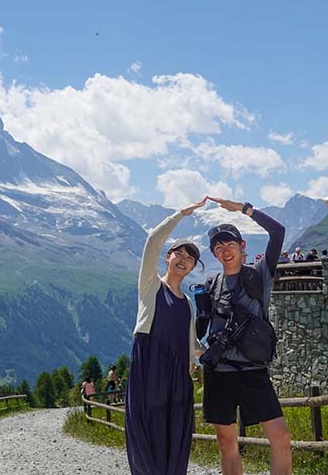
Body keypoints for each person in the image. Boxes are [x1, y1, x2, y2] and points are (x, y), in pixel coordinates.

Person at [197, 197, 292, 475]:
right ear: (214, 254)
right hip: (220, 373)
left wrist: (243, 209)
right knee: (227, 444)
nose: (225, 251)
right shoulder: (211, 284)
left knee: (281, 438)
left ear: (242, 247)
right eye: (218, 247)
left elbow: (278, 232)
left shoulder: (260, 276)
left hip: (254, 372)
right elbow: (200, 328)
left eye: (230, 245)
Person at [125, 196, 209, 475]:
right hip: (149, 366)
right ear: (168, 257)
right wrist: (180, 214)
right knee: (146, 429)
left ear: (194, 267)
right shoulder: (150, 285)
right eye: (179, 254)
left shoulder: (187, 302)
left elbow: (192, 347)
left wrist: (213, 351)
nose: (184, 260)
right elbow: (152, 240)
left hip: (177, 378)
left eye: (191, 258)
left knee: (175, 436)